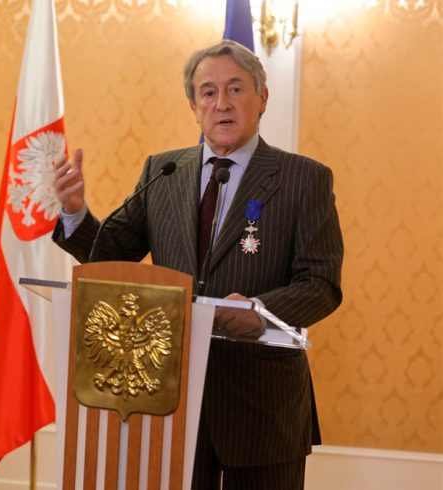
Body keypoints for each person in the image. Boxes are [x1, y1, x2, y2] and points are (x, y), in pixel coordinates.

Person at [52, 40, 343, 489]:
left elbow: (321, 283)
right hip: (171, 397)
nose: (221, 103)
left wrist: (258, 310)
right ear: (193, 105)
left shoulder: (305, 179)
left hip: (263, 405)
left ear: (262, 98)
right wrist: (74, 211)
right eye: (208, 92)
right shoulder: (163, 171)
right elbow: (109, 259)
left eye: (235, 89)